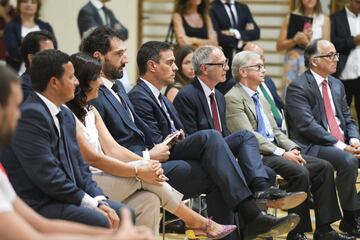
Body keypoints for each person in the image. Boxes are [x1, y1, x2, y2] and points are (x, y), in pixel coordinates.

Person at [83, 27, 300, 240]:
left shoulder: (120, 89)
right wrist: (149, 156)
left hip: (157, 156)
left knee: (239, 144)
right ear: (99, 57)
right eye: (119, 54)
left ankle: (256, 207)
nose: (126, 59)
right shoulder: (100, 96)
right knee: (213, 144)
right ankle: (251, 216)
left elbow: (147, 132)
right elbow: (112, 147)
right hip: (139, 164)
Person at [66, 52, 237, 239]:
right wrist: (139, 170)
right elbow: (94, 158)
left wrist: (145, 163)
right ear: (84, 82)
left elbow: (114, 149)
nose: (101, 82)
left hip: (107, 174)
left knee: (150, 200)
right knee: (147, 177)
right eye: (97, 77)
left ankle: (195, 223)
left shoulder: (91, 110)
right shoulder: (68, 114)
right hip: (88, 180)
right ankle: (198, 222)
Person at [0, 64, 154, 240]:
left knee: (135, 204)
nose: (18, 114)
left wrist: (113, 230)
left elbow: (42, 226)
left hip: (64, 196)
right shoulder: (32, 115)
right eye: (15, 106)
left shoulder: (65, 115)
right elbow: (34, 235)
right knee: (106, 215)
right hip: (46, 198)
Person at [225, 50, 354, 240]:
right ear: (243, 72)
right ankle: (297, 232)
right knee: (300, 171)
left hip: (276, 151)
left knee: (323, 167)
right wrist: (281, 153)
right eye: (259, 67)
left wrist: (293, 148)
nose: (264, 70)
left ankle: (324, 229)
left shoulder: (258, 96)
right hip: (257, 156)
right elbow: (249, 136)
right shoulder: (233, 97)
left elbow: (276, 132)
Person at [172, 45, 307, 211]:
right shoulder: (187, 95)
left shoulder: (219, 97)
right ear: (204, 68)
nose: (227, 68)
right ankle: (260, 196)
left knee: (267, 170)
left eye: (226, 63)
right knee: (244, 135)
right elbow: (192, 139)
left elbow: (226, 134)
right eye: (221, 64)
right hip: (203, 155)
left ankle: (262, 225)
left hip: (221, 151)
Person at [285, 39, 360, 238]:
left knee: (351, 155)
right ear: (314, 61)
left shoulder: (337, 85)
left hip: (341, 143)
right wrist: (342, 146)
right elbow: (307, 127)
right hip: (312, 146)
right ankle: (352, 217)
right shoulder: (297, 87)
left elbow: (347, 118)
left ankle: (354, 210)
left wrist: (354, 140)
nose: (336, 59)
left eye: (336, 54)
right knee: (348, 161)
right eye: (330, 55)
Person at [276, 0, 330, 94]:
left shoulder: (324, 19)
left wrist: (307, 43)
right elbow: (279, 46)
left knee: (311, 96)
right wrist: (294, 40)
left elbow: (327, 50)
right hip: (293, 62)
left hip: (313, 62)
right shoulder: (291, 17)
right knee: (289, 95)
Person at [210, 0, 260, 94]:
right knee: (221, 92)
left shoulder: (242, 7)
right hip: (222, 59)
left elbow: (256, 32)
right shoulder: (212, 7)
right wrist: (241, 39)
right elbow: (217, 36)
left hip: (242, 60)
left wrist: (235, 33)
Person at [4, 0, 55, 74]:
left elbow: (53, 49)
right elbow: (14, 52)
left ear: (38, 6)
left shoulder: (46, 26)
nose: (29, 5)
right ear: (19, 4)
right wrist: (42, 54)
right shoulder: (11, 26)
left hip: (45, 73)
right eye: (25, 1)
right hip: (17, 73)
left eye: (33, 2)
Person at [331, 0, 360, 126]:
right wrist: (353, 40)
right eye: (358, 2)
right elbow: (332, 43)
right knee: (341, 116)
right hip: (343, 74)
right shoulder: (336, 18)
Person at [243, 42, 285, 130]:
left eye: (262, 58)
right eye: (257, 58)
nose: (261, 62)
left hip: (284, 128)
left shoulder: (268, 80)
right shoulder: (239, 84)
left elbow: (280, 106)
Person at [19, 30, 55, 101]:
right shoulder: (24, 88)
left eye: (53, 52)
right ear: (31, 58)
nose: (53, 57)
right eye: (47, 53)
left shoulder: (54, 79)